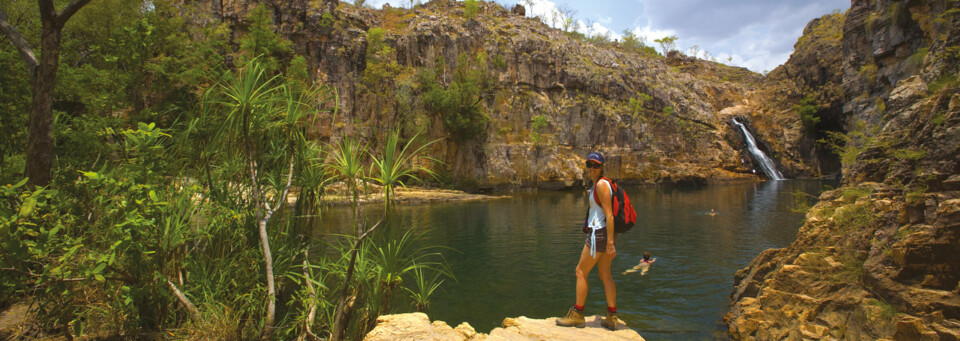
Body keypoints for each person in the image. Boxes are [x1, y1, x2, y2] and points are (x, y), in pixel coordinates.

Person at [556, 152, 619, 330]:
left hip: (599, 234)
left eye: (596, 165)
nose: (592, 169)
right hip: (603, 234)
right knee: (605, 275)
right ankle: (612, 316)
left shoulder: (601, 185)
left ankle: (577, 314)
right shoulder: (600, 184)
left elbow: (609, 215)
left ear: (602, 167)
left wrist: (610, 243)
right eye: (589, 165)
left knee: (580, 272)